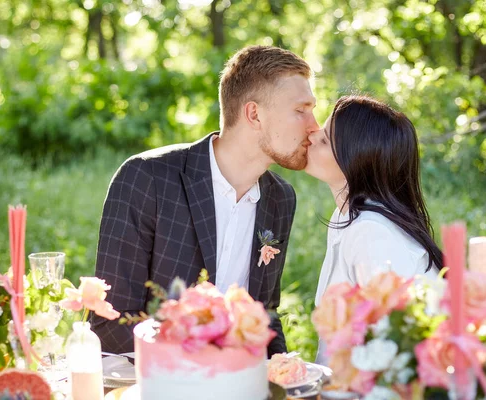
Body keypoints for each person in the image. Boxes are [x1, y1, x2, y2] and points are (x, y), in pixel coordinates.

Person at [93, 45, 320, 356]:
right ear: (254, 114)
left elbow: (264, 315)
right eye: (301, 110)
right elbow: (110, 321)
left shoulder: (281, 198)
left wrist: (282, 375)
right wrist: (207, 365)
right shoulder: (146, 178)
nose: (314, 125)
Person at [304, 95, 443, 365]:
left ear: (355, 161)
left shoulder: (371, 234)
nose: (311, 136)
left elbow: (393, 349)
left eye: (323, 140)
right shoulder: (349, 217)